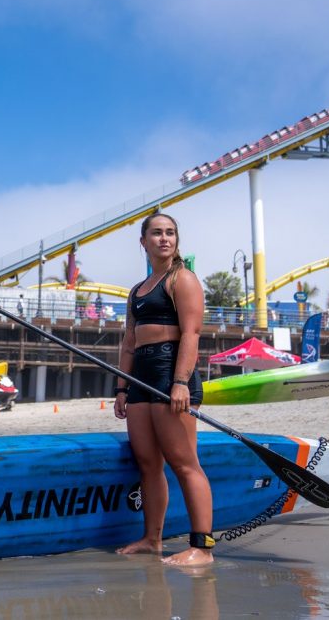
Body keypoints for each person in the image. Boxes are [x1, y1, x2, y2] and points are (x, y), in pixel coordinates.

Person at [113, 212, 214, 567]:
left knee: (184, 463)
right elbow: (128, 342)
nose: (164, 239)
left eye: (170, 233)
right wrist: (122, 389)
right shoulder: (137, 291)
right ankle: (151, 539)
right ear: (143, 242)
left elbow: (191, 333)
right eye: (156, 233)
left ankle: (202, 548)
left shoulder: (181, 279)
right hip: (140, 376)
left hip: (170, 371)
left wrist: (181, 382)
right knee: (148, 464)